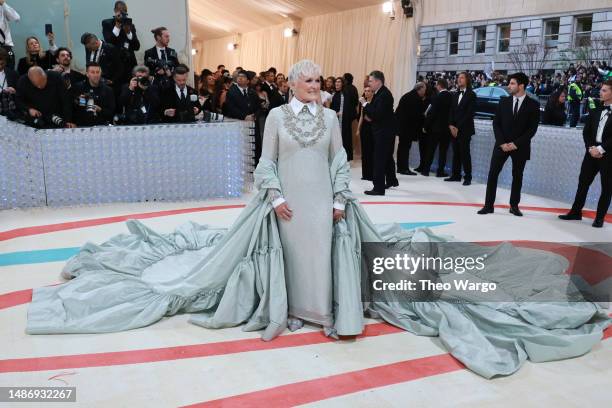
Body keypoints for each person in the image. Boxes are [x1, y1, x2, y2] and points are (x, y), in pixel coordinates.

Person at [25, 60, 612, 382]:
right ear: (293, 84)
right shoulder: (276, 115)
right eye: (309, 79)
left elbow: (339, 161)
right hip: (284, 206)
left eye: (317, 81)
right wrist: (273, 196)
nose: (316, 84)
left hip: (325, 207)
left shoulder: (330, 119)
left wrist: (339, 198)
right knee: (286, 257)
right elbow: (265, 163)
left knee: (331, 254)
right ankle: (293, 309)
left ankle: (327, 310)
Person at [478, 72, 540, 216]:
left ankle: (514, 206)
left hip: (520, 147)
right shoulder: (503, 101)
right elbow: (496, 124)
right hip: (501, 146)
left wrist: (515, 144)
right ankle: (488, 205)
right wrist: (502, 143)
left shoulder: (533, 105)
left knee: (517, 176)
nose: (509, 86)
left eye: (512, 83)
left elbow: (532, 129)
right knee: (493, 174)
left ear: (521, 86)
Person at [558, 79, 612, 228]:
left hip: (608, 155)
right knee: (583, 183)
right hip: (591, 153)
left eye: (604, 90)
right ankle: (576, 212)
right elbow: (586, 132)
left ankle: (599, 218)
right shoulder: (595, 110)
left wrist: (601, 149)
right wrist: (590, 148)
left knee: (607, 188)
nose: (600, 92)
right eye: (601, 89)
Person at [361, 70, 398, 195]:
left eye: (371, 81)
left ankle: (378, 188)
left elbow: (376, 114)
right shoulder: (380, 93)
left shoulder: (384, 95)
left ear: (378, 81)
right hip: (383, 131)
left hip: (384, 132)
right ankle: (391, 180)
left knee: (379, 159)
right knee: (386, 158)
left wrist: (365, 104)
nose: (369, 83)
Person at [447, 72, 476, 185]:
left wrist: (457, 127)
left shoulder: (471, 95)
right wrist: (450, 125)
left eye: (462, 78)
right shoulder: (454, 94)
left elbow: (469, 114)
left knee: (465, 153)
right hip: (453, 129)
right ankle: (456, 175)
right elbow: (450, 111)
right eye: (458, 78)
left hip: (465, 129)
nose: (459, 80)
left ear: (467, 80)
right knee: (456, 153)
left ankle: (468, 177)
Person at [102, 1, 140, 84]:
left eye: (125, 11)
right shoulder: (107, 23)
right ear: (115, 10)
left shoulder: (130, 25)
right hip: (115, 66)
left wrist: (129, 33)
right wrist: (117, 26)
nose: (123, 13)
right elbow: (108, 42)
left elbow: (137, 47)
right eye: (120, 10)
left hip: (130, 65)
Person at [420, 78, 452, 177]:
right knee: (443, 151)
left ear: (439, 85)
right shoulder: (452, 97)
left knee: (431, 149)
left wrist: (425, 126)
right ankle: (440, 171)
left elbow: (431, 113)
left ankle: (426, 170)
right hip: (446, 129)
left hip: (435, 129)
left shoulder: (437, 97)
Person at [395, 82, 427, 175]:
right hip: (408, 128)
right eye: (424, 90)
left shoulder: (407, 95)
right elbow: (416, 115)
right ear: (420, 89)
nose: (424, 92)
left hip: (402, 127)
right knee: (405, 148)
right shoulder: (415, 98)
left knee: (402, 148)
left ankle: (400, 168)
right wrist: (423, 115)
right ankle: (404, 168)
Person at [71, 62, 116, 127]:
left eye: (98, 72)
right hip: (82, 126)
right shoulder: (78, 87)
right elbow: (73, 108)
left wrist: (100, 110)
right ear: (87, 74)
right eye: (92, 72)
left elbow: (111, 111)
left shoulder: (108, 90)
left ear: (101, 73)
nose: (96, 75)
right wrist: (81, 101)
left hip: (102, 126)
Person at [330, 77, 356, 160]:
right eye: (336, 82)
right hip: (334, 120)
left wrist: (340, 114)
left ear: (342, 84)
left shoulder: (345, 94)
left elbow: (348, 108)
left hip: (343, 121)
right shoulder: (334, 94)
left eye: (339, 82)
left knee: (344, 138)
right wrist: (334, 114)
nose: (337, 83)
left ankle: (344, 158)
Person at [357, 85, 374, 180]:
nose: (366, 93)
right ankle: (365, 174)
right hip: (364, 128)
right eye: (365, 91)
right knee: (365, 152)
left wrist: (369, 119)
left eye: (369, 91)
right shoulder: (364, 103)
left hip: (372, 129)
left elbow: (374, 117)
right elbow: (361, 117)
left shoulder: (374, 103)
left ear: (372, 92)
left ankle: (371, 174)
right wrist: (358, 129)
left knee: (371, 151)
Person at [0, 0, 19, 70]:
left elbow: (16, 18)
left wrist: (3, 3)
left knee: (10, 71)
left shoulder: (3, 8)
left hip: (7, 48)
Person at [0, 47, 17, 119]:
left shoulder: (13, 74)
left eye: (2, 63)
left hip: (10, 114)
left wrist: (15, 91)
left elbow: (21, 94)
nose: (0, 66)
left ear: (6, 61)